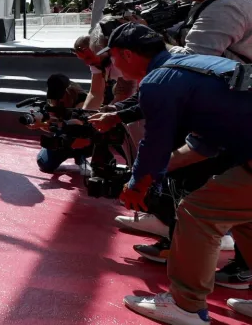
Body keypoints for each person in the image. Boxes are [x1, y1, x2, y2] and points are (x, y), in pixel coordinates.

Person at [94, 23, 252, 325]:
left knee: (198, 212)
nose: (113, 65)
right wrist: (153, 173)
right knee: (244, 215)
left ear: (126, 54)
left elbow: (154, 144)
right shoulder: (194, 66)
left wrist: (137, 185)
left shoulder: (157, 81)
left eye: (112, 57)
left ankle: (186, 306)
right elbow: (201, 146)